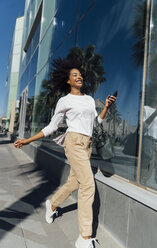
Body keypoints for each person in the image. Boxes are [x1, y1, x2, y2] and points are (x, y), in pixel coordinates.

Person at [14, 58, 116, 248]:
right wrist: (28, 140)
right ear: (68, 80)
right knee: (88, 185)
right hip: (73, 142)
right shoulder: (64, 101)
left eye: (80, 75)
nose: (79, 77)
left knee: (74, 182)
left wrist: (107, 108)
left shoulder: (89, 99)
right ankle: (84, 238)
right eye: (75, 75)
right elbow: (52, 126)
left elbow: (96, 124)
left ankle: (52, 204)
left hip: (87, 144)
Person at [142, 89, 157, 193]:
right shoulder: (146, 109)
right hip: (150, 144)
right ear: (152, 97)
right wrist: (156, 113)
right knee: (145, 176)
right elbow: (143, 127)